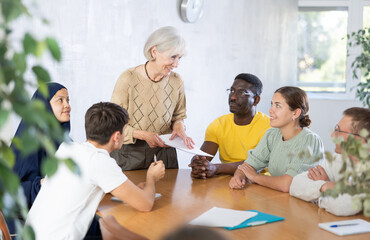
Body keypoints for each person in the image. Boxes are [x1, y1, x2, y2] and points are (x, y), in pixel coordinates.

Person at [26, 102, 165, 240]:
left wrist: (133, 190)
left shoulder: (68, 148)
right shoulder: (100, 161)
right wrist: (151, 178)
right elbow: (145, 204)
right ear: (116, 137)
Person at [111, 26, 194, 170]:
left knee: (169, 193)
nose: (176, 64)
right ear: (154, 51)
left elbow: (178, 116)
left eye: (179, 58)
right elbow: (112, 123)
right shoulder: (128, 79)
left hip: (165, 155)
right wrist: (142, 135)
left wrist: (179, 126)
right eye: (172, 57)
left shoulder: (176, 81)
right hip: (129, 154)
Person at [229, 86, 324, 193]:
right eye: (272, 104)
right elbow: (248, 165)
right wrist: (238, 177)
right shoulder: (272, 134)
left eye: (278, 106)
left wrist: (255, 177)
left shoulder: (309, 140)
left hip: (304, 204)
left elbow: (288, 184)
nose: (270, 110)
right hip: (279, 199)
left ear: (295, 113)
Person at [290, 107, 370, 216]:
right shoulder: (338, 159)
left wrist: (317, 195)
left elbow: (342, 206)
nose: (332, 135)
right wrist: (325, 185)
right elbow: (296, 184)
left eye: (338, 131)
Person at [189, 73, 270, 179]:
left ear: (256, 100)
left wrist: (216, 168)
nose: (233, 97)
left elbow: (255, 164)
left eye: (241, 92)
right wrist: (198, 165)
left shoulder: (269, 127)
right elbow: (203, 157)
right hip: (226, 181)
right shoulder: (218, 125)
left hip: (259, 182)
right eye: (232, 91)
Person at [11, 82, 71, 209]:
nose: (67, 106)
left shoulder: (62, 140)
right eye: (60, 100)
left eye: (68, 100)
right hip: (27, 220)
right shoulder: (29, 143)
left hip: (55, 207)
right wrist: (43, 183)